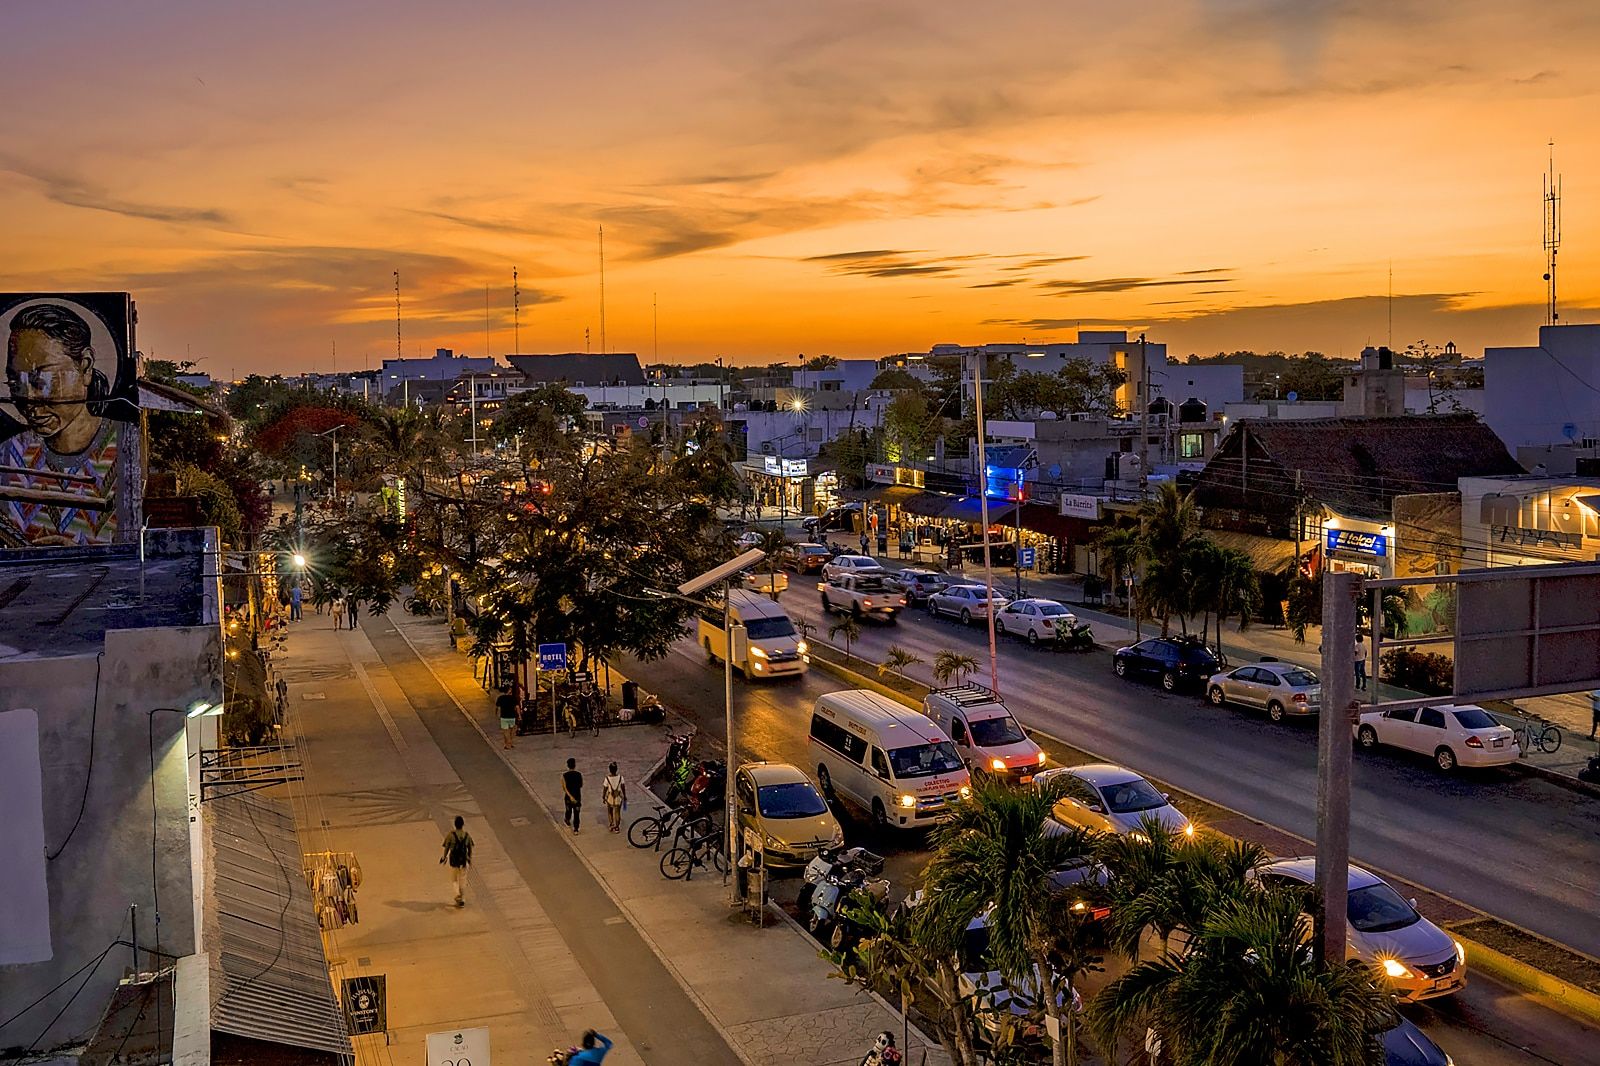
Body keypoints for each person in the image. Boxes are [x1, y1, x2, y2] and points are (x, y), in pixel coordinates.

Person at [439, 815, 473, 907]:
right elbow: (470, 849)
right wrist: (469, 859)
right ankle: (462, 899)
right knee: (463, 880)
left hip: (454, 861)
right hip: (464, 861)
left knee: (454, 879)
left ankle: (458, 894)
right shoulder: (467, 836)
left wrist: (444, 857)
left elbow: (446, 848)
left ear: (455, 824)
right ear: (463, 824)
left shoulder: (451, 835)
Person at [602, 762, 626, 833]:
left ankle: (611, 824)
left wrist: (603, 796)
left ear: (609, 770)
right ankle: (617, 827)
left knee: (610, 811)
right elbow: (623, 787)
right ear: (616, 769)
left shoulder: (607, 778)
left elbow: (605, 788)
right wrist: (624, 795)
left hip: (610, 796)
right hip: (618, 796)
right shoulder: (621, 777)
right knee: (617, 812)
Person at [562, 757, 584, 834]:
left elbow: (564, 788)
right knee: (576, 813)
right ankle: (576, 829)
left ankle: (567, 820)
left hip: (568, 797)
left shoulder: (564, 775)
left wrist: (570, 796)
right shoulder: (579, 774)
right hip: (577, 796)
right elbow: (581, 785)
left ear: (568, 766)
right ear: (575, 765)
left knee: (568, 811)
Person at [496, 685, 518, 749]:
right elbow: (517, 707)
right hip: (512, 716)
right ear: (509, 691)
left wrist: (497, 714)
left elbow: (498, 707)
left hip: (504, 716)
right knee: (511, 730)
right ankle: (508, 744)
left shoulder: (500, 698)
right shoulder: (513, 698)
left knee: (505, 731)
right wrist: (519, 715)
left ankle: (508, 743)